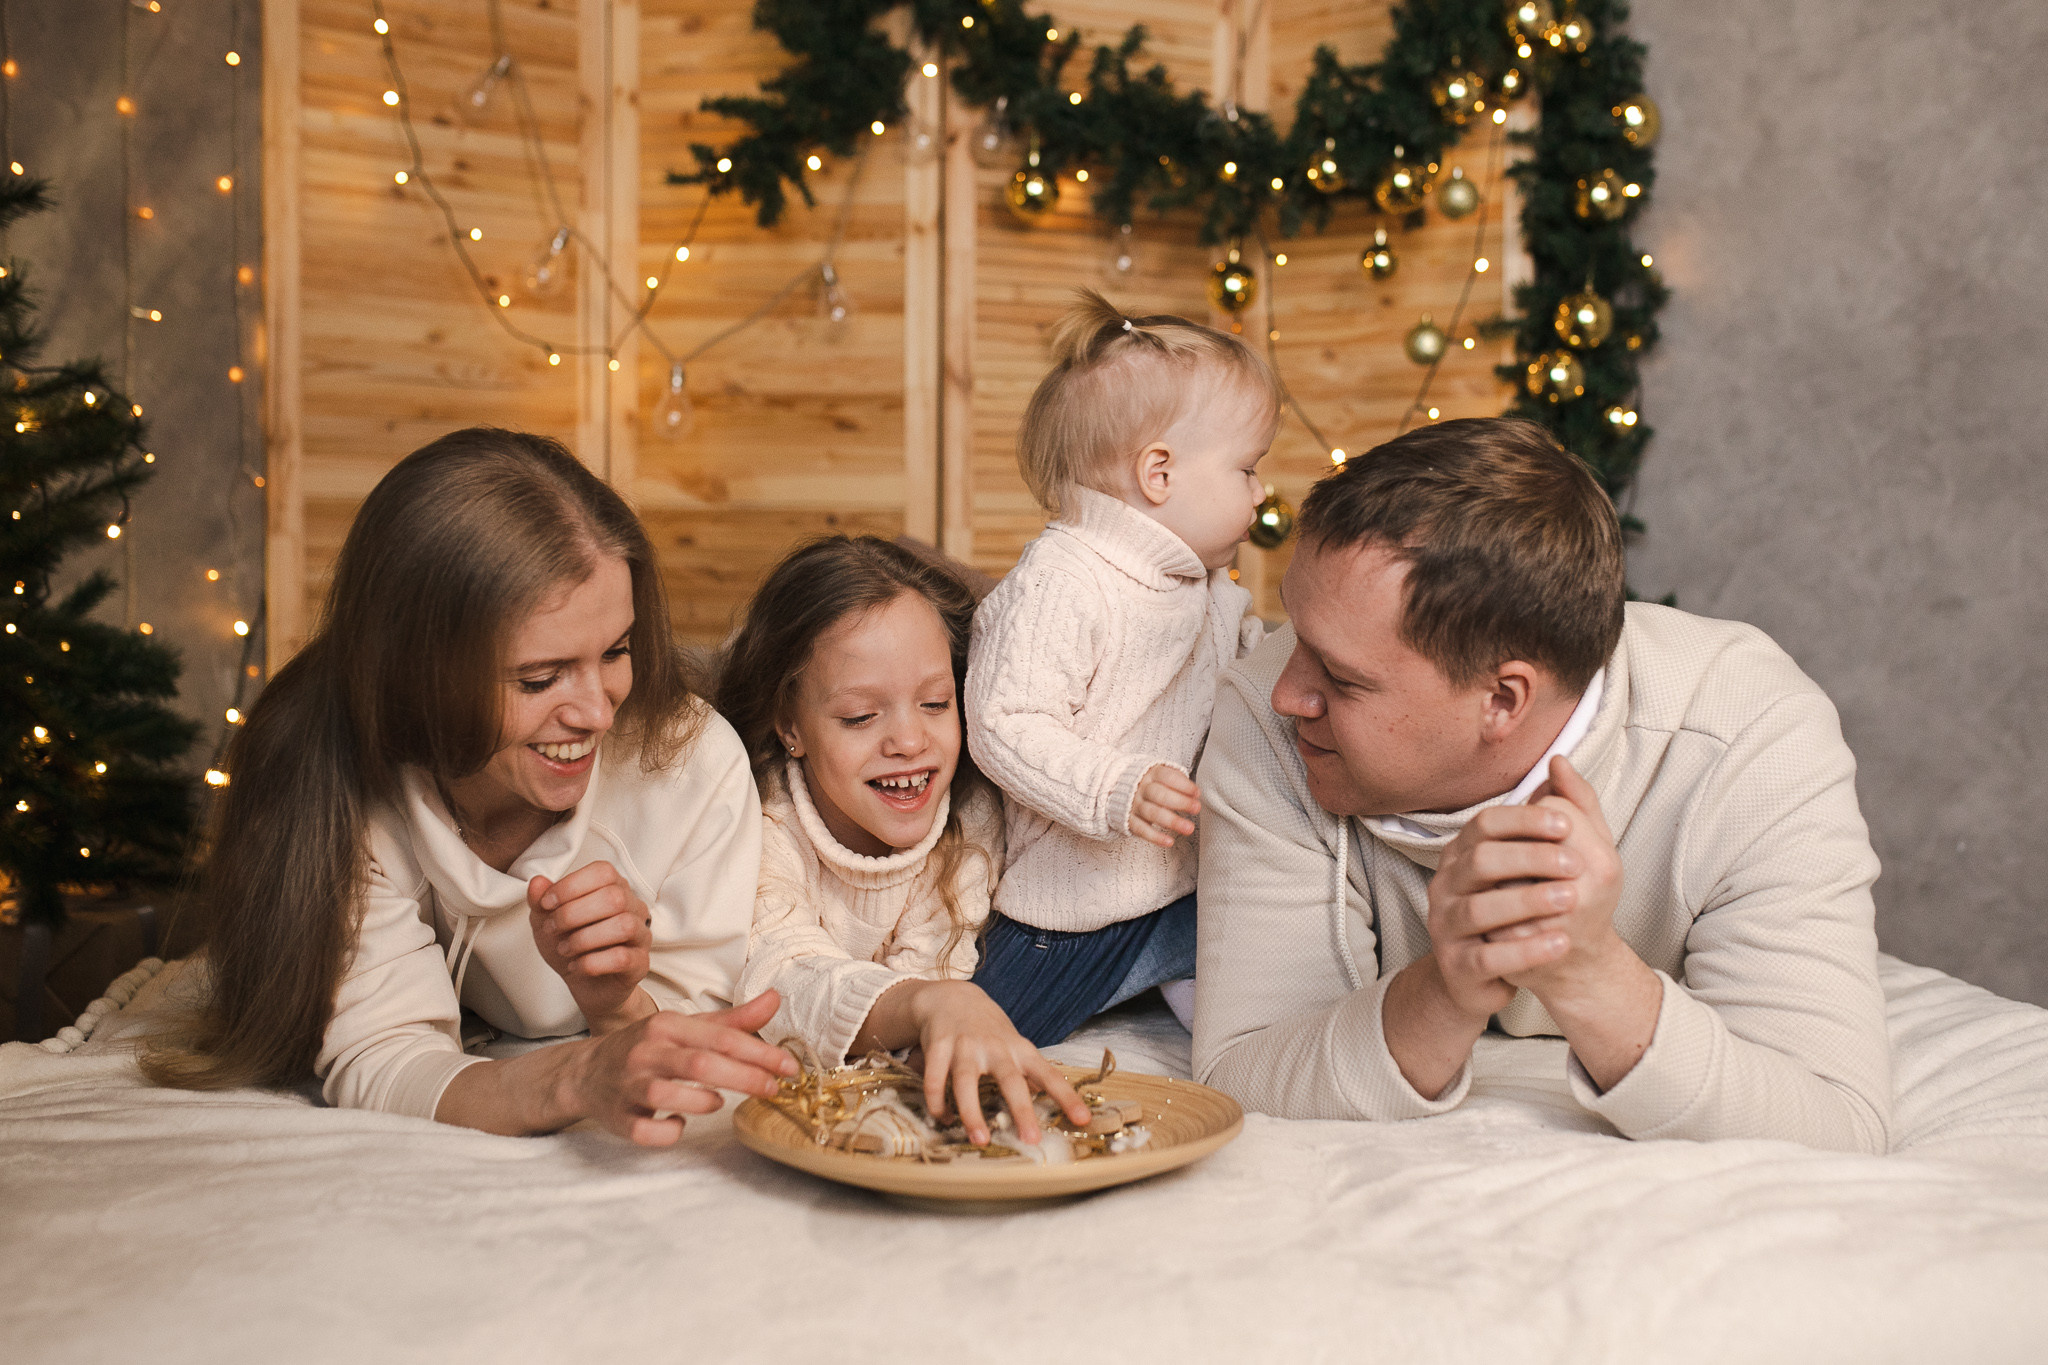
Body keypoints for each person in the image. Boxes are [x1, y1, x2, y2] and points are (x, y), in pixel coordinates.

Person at [1192, 417, 1891, 1153]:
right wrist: (1447, 988)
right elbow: (1239, 1073)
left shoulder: (1752, 734)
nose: (1288, 694)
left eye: (1340, 677)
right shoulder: (1264, 719)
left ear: (1502, 700)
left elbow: (1837, 1123)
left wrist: (1590, 972)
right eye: (1294, 632)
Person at [144, 428, 795, 1145]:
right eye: (539, 678)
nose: (596, 710)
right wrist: (575, 1074)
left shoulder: (693, 764)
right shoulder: (331, 777)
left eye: (616, 651)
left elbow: (681, 1051)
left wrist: (615, 1006)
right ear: (420, 671)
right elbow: (386, 1060)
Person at [964, 289, 1276, 1047]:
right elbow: (1004, 723)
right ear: (1159, 474)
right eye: (1247, 468)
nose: (1263, 492)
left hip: (1185, 886)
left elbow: (1253, 665)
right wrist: (1112, 785)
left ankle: (1234, 1025)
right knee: (986, 1036)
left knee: (1260, 987)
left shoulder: (1203, 584)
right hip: (1076, 909)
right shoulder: (1066, 578)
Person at [720, 536, 1089, 1146]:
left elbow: (939, 973)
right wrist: (926, 1004)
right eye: (861, 717)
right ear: (790, 724)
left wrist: (936, 1010)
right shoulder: (761, 817)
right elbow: (778, 976)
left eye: (935, 703)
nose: (910, 741)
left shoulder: (969, 817)